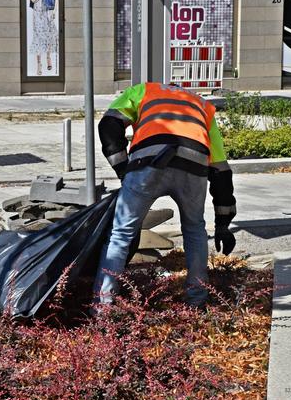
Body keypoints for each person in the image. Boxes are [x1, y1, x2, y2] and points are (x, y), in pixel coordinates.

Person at [94, 82, 237, 308]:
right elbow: (220, 171)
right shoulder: (203, 105)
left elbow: (109, 125)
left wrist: (123, 170)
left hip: (148, 162)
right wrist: (223, 225)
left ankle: (103, 306)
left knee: (121, 234)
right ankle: (197, 301)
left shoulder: (143, 91)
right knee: (194, 230)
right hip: (194, 164)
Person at [26, 0, 59, 76]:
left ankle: (48, 57)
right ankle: (39, 64)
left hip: (48, 10)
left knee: (49, 34)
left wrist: (54, 11)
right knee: (38, 36)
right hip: (37, 11)